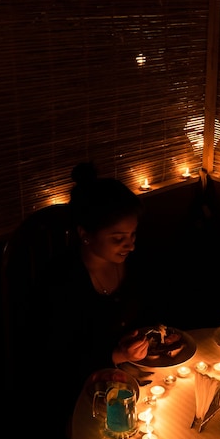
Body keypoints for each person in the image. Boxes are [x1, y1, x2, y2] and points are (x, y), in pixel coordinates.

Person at [46, 162, 160, 397]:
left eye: (132, 234)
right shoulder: (62, 281)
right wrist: (119, 354)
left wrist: (140, 340)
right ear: (85, 235)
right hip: (80, 391)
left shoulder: (133, 264)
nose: (130, 245)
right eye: (118, 238)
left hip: (135, 377)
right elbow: (61, 358)